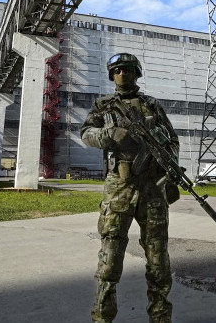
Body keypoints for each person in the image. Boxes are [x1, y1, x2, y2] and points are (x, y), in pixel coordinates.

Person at [80, 53, 180, 323]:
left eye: (127, 69)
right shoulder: (103, 105)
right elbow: (86, 133)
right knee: (110, 259)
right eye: (117, 70)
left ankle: (160, 318)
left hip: (152, 189)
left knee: (158, 260)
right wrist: (109, 135)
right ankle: (102, 317)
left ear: (137, 73)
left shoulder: (152, 105)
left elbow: (172, 140)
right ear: (112, 74)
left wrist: (170, 168)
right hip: (119, 188)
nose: (122, 74)